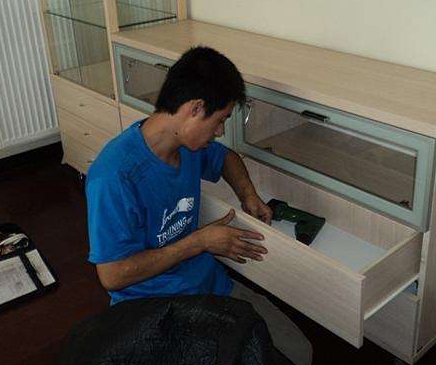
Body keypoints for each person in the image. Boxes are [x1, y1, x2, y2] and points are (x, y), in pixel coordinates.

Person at [86, 46, 312, 365]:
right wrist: (199, 242)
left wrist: (248, 194)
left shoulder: (188, 145)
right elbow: (112, 275)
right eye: (220, 121)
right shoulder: (114, 176)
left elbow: (227, 158)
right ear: (195, 108)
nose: (220, 131)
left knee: (299, 352)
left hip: (209, 286)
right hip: (150, 306)